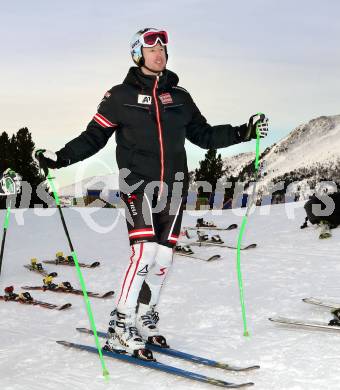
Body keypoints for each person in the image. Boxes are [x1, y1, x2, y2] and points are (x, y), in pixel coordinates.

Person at [35, 27, 269, 360]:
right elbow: (93, 136)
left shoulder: (181, 97)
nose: (159, 54)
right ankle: (119, 325)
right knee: (143, 253)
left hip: (174, 187)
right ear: (138, 55)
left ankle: (144, 317)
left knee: (163, 257)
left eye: (163, 49)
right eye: (152, 49)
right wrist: (59, 158)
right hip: (137, 184)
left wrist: (243, 131)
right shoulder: (120, 96)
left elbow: (203, 135)